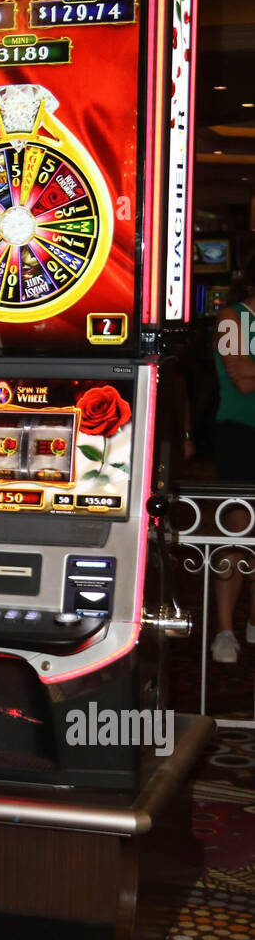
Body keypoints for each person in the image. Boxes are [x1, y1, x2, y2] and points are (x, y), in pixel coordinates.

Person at [210, 262, 255, 663]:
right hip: (239, 432)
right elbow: (240, 375)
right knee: (237, 530)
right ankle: (225, 630)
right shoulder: (232, 317)